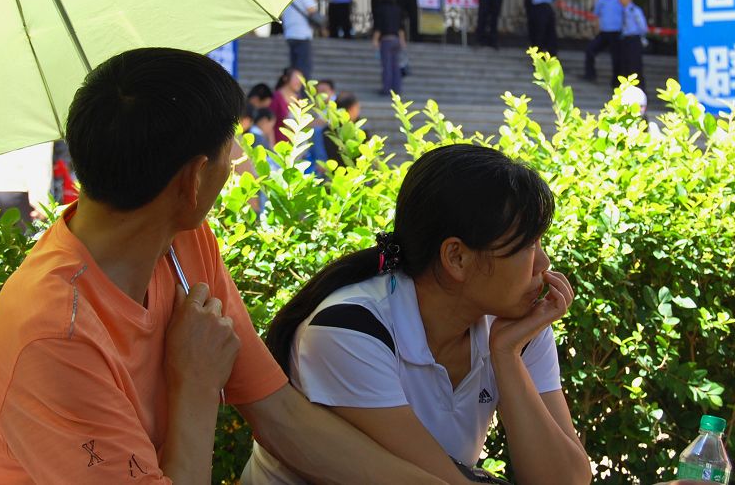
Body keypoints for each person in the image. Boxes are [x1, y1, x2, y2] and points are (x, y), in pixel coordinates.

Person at [0, 48, 444, 485]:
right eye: (227, 147)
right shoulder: (54, 335)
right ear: (192, 180)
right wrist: (193, 383)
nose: (236, 158)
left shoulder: (184, 242)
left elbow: (277, 413)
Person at [246, 145, 591, 484]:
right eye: (528, 247)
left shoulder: (514, 326)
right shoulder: (350, 330)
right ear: (456, 257)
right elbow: (429, 479)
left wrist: (507, 356)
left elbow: (567, 480)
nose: (544, 266)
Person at [0, 141, 54, 230]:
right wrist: (41, 204)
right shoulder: (40, 132)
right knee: (26, 240)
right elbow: (40, 164)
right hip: (19, 191)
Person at [582, 0, 623, 86]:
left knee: (617, 58)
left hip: (617, 32)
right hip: (604, 32)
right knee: (590, 50)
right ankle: (590, 75)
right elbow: (596, 14)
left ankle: (616, 81)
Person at [615, 0, 647, 91]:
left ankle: (640, 89)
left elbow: (643, 26)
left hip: (634, 39)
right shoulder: (622, 10)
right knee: (625, 65)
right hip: (625, 40)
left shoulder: (634, 10)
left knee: (635, 65)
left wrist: (640, 36)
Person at [283, 0, 316, 78]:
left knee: (295, 69)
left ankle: (295, 90)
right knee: (303, 70)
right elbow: (311, 9)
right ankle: (302, 92)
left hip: (289, 33)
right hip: (302, 34)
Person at [270, 67, 304, 144]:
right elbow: (269, 124)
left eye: (301, 79)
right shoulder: (276, 97)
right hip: (278, 142)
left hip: (295, 143)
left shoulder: (299, 99)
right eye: (296, 78)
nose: (299, 82)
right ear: (285, 78)